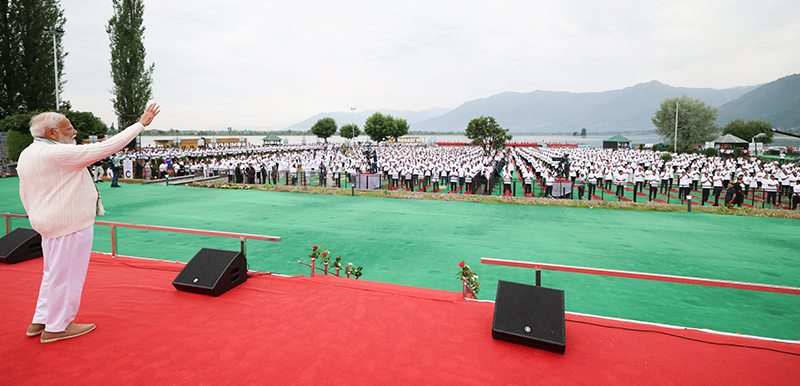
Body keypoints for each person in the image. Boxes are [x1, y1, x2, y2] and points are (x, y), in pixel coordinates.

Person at [17, 103, 160, 343]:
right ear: (52, 133)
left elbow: (25, 193)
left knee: (52, 273)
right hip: (69, 224)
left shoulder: (28, 152)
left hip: (48, 223)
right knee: (68, 276)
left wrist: (36, 216)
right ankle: (58, 326)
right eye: (69, 128)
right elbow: (106, 147)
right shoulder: (57, 153)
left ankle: (41, 320)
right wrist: (140, 124)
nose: (74, 132)